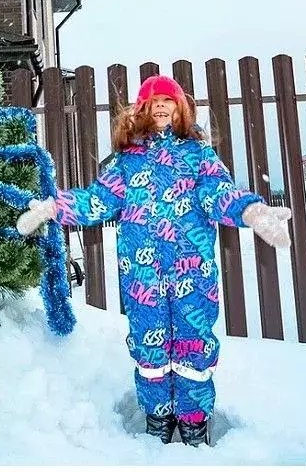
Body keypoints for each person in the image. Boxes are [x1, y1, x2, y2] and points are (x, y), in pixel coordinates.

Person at [16, 75, 291, 447]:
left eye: (168, 99)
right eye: (152, 101)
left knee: (194, 343)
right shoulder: (127, 162)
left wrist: (252, 211)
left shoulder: (199, 157)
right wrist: (54, 207)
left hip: (192, 273)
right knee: (149, 347)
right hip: (142, 276)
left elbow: (219, 195)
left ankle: (194, 420)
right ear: (141, 110)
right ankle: (158, 416)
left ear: (181, 108)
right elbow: (97, 201)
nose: (161, 106)